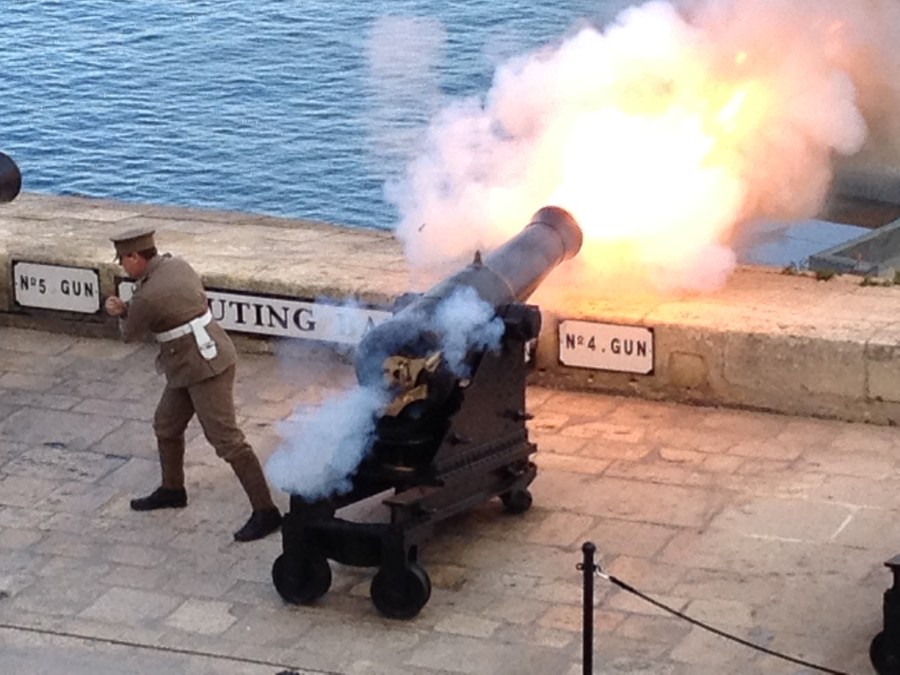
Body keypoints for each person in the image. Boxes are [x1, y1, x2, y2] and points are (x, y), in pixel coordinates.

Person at [104, 226, 281, 542]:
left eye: (123, 260)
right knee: (166, 425)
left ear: (135, 257)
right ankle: (173, 489)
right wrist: (133, 309)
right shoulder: (177, 265)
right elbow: (173, 306)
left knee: (228, 441)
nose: (123, 267)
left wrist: (121, 311)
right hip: (191, 362)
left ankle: (266, 511)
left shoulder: (147, 294)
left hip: (205, 368)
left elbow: (130, 334)